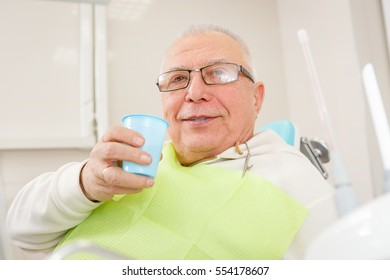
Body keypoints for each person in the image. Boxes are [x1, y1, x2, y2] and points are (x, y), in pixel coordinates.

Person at [6, 24, 338, 260]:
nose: (194, 93)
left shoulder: (294, 181)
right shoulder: (131, 161)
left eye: (219, 73)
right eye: (178, 79)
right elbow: (20, 231)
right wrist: (85, 183)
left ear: (256, 98)